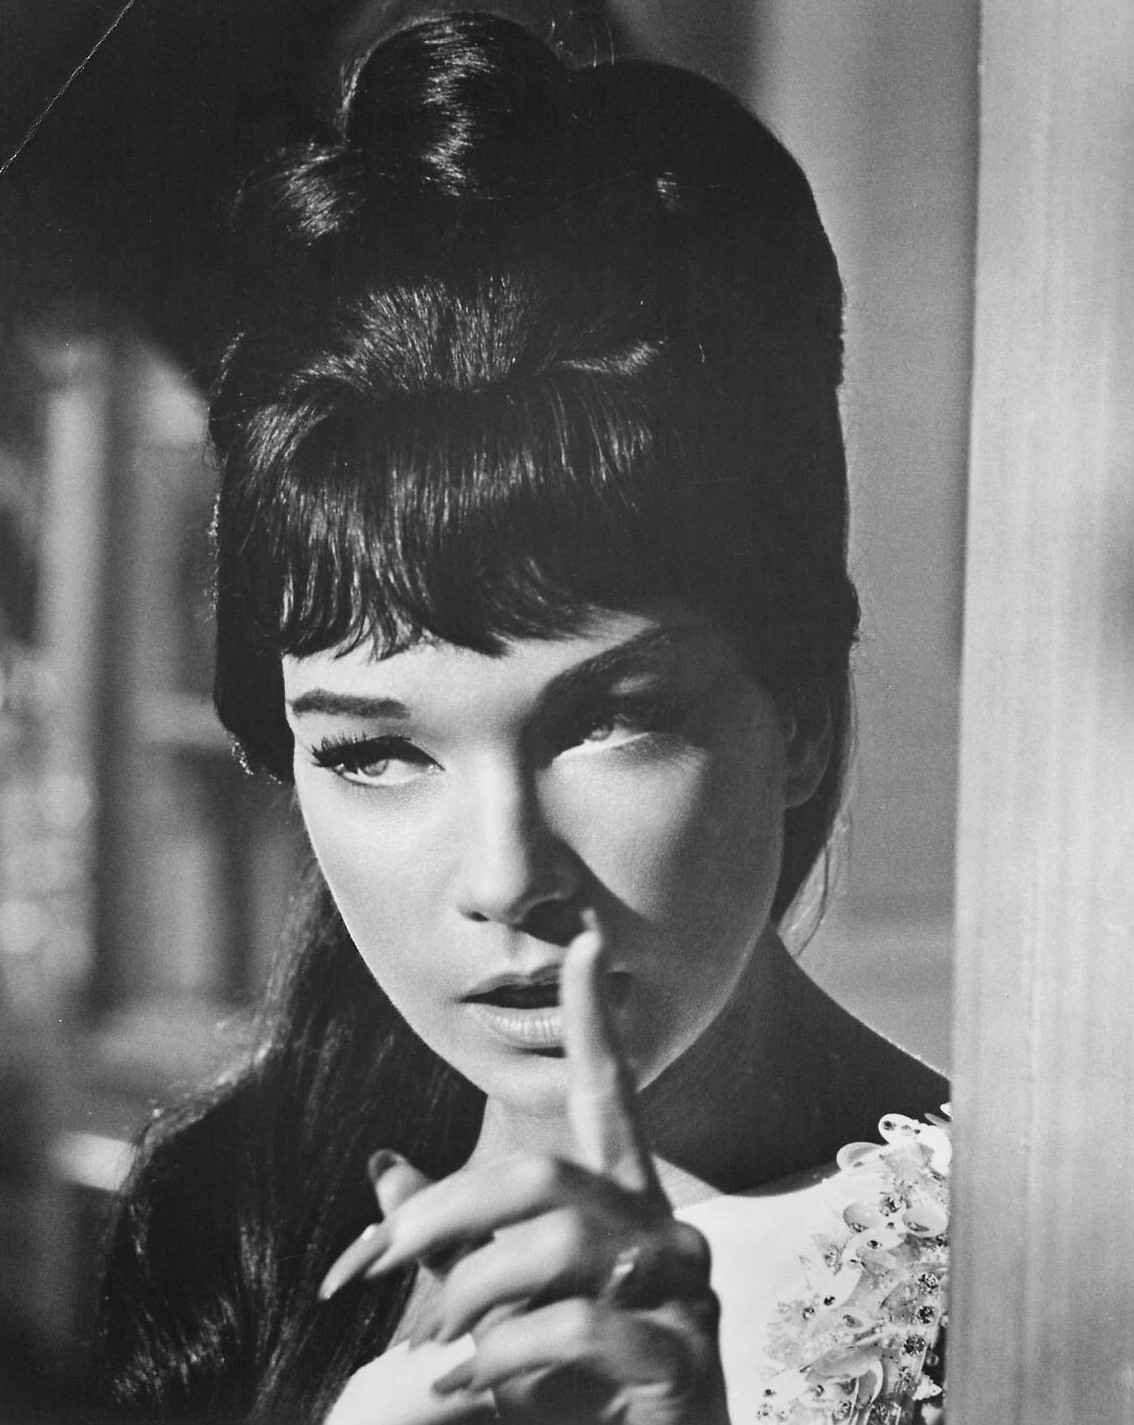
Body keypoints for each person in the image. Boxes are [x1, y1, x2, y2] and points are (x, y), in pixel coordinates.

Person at [95, 8, 949, 1423]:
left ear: (797, 707)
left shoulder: (1026, 1282)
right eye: (375, 751)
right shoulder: (225, 1228)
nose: (504, 880)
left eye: (608, 721)